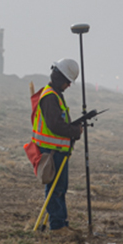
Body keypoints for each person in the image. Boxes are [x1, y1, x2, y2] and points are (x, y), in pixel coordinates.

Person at [32, 58, 83, 233]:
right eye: (68, 82)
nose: (69, 85)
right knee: (55, 190)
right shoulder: (50, 97)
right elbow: (55, 125)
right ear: (61, 78)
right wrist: (74, 131)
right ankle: (58, 227)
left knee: (60, 189)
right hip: (52, 152)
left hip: (58, 150)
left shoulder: (55, 95)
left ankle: (61, 224)